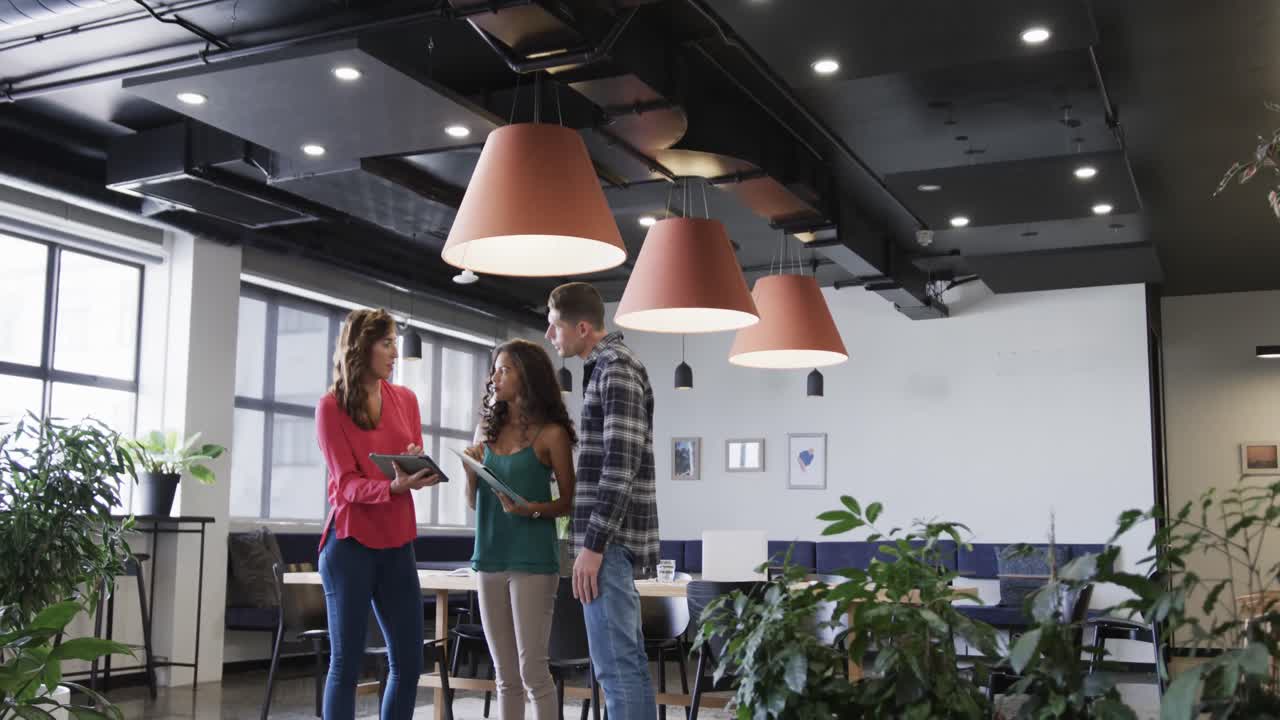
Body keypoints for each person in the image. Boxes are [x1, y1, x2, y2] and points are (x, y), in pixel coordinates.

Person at [315, 308, 441, 720]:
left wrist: (411, 464)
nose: (394, 353)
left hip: (397, 541)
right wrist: (390, 486)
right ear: (361, 347)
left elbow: (409, 453)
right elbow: (346, 484)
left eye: (395, 344)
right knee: (345, 665)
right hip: (350, 544)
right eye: (387, 343)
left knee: (409, 663)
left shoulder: (405, 399)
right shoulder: (331, 407)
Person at [544, 282, 659, 720]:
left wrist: (592, 546)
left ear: (583, 326)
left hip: (607, 544)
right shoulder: (607, 367)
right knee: (620, 664)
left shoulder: (615, 368)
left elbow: (620, 464)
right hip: (607, 542)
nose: (551, 336)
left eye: (555, 326)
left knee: (615, 666)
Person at [462, 339, 578, 720]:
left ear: (526, 377)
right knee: (505, 676)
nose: (495, 377)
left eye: (504, 369)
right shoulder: (484, 430)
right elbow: (475, 503)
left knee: (532, 672)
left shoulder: (552, 434)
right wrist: (468, 471)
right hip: (490, 558)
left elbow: (567, 503)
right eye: (494, 369)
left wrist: (530, 510)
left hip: (532, 562)